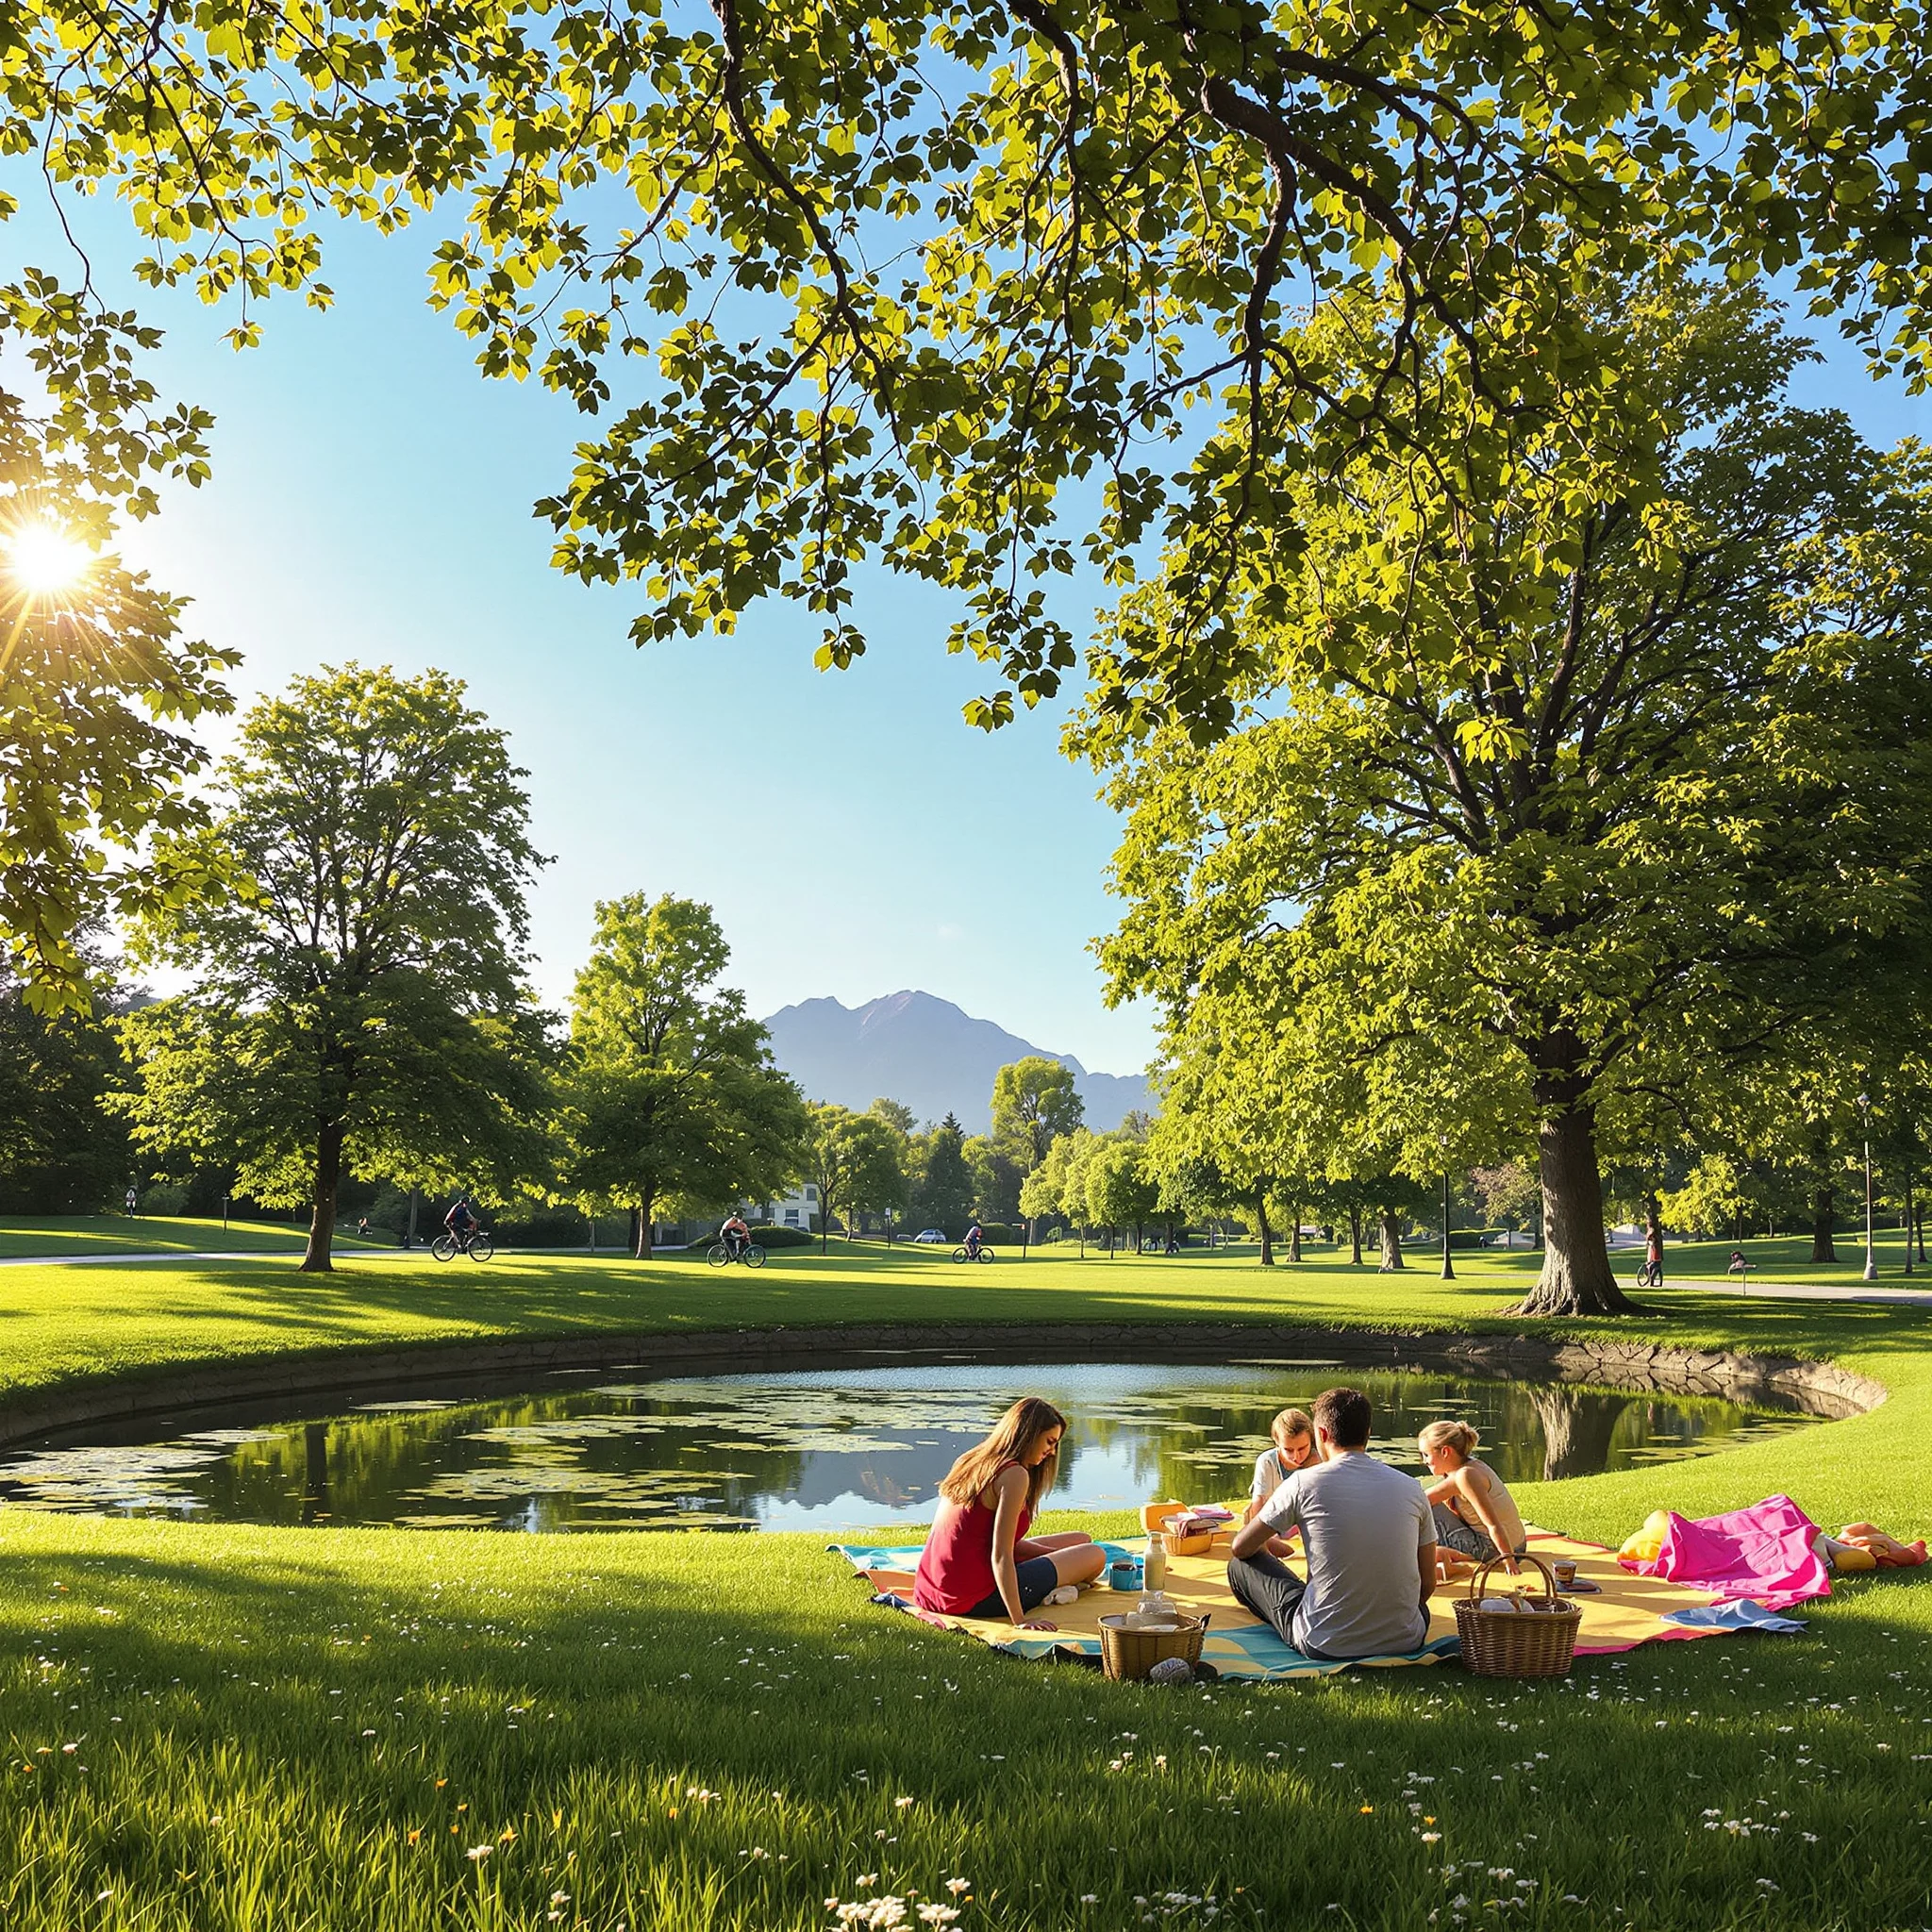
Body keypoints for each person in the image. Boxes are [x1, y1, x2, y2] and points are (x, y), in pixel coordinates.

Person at [1226, 1386, 1436, 1660]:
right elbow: (1427, 1585)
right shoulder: (1412, 1488)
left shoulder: (1303, 1483)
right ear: (1368, 1433)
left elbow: (1241, 1547)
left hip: (1325, 1642)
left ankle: (1314, 1608)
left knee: (1238, 1566)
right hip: (1405, 1638)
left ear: (1321, 1435)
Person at [912, 1397, 1106, 1628]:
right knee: (1095, 1555)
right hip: (973, 1597)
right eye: (1049, 1442)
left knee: (1081, 1541)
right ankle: (1058, 1585)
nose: (1052, 1452)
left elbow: (988, 1541)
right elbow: (1001, 1554)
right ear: (1029, 1435)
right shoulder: (1014, 1475)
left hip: (932, 1589)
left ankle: (1062, 1576)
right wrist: (1019, 1620)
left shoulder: (971, 1460)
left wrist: (1053, 1555)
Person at [1417, 1421, 1526, 1573]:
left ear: (1445, 1452)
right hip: (1519, 1545)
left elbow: (1493, 1525)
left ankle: (1437, 1557)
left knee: (1426, 1507)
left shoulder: (1464, 1476)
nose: (1425, 1461)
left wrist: (1509, 1562)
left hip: (1494, 1551)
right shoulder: (1473, 1466)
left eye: (1426, 1455)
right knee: (1425, 1504)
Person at [1242, 1407, 1316, 1529]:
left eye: (1302, 1448)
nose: (1296, 1456)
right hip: (1272, 1523)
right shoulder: (1267, 1461)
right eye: (1289, 1450)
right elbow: (1258, 1502)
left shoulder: (1318, 1460)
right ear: (1277, 1442)